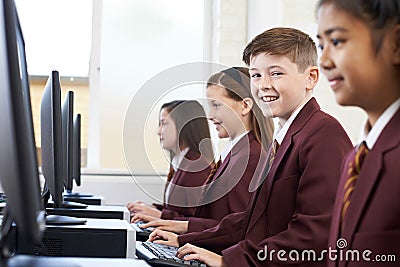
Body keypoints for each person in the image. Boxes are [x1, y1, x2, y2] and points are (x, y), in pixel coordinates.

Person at [148, 27, 353, 267]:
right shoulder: (283, 138)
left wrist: (230, 261)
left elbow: (314, 234)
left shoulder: (323, 134)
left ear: (311, 78)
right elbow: (250, 221)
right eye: (256, 75)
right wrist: (184, 239)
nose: (263, 85)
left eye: (276, 73)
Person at [132, 67, 273, 234]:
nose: (210, 115)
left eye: (216, 105)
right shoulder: (235, 154)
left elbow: (240, 227)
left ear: (245, 106)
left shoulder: (250, 156)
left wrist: (176, 228)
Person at [316, 1, 400, 266]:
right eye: (321, 45)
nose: (324, 61)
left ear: (395, 44)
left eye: (337, 41)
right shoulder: (355, 157)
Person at [127, 100, 214, 220]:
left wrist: (160, 215)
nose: (158, 132)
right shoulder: (182, 163)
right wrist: (152, 209)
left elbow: (199, 222)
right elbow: (177, 211)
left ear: (183, 126)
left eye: (164, 123)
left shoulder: (196, 166)